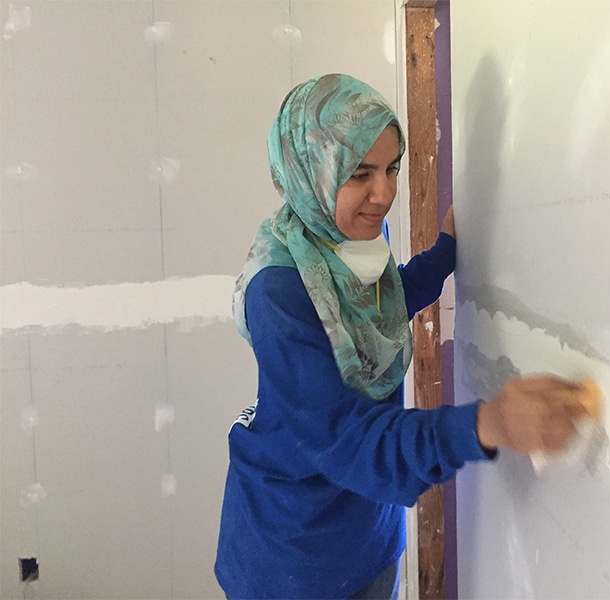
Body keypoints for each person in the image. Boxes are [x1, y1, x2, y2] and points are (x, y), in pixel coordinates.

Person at [214, 73, 587, 600]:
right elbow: (348, 437)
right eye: (360, 173)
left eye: (391, 168)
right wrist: (490, 422)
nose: (384, 193)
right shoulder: (278, 291)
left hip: (368, 534)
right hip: (291, 557)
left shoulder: (355, 241)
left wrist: (445, 253)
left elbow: (382, 307)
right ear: (311, 173)